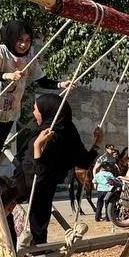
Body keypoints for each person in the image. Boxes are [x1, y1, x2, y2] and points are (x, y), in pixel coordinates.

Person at [0, 20, 68, 202]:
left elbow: (41, 80)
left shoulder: (30, 56)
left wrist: (61, 84)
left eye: (27, 40)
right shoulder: (0, 51)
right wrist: (8, 75)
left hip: (8, 115)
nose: (24, 45)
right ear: (11, 39)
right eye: (19, 40)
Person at [29, 94, 101, 244]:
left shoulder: (49, 136)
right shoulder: (69, 132)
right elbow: (85, 162)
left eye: (35, 109)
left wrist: (37, 146)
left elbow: (40, 174)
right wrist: (97, 143)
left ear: (47, 110)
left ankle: (35, 255)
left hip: (33, 190)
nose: (33, 113)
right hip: (43, 194)